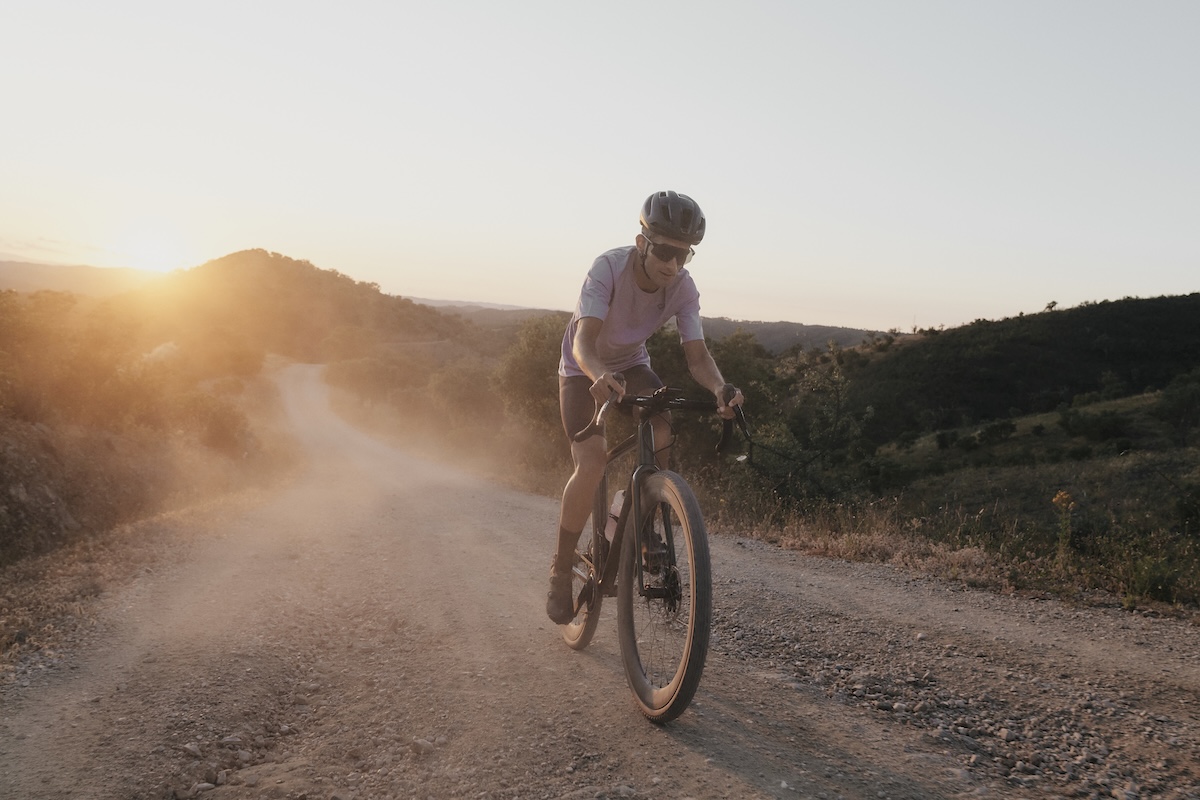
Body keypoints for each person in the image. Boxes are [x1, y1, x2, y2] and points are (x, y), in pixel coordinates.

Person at [547, 190, 745, 624]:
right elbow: (583, 342)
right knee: (593, 460)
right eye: (665, 250)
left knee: (661, 429)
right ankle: (561, 569)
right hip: (583, 368)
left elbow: (697, 358)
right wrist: (598, 374)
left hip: (633, 364)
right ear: (642, 242)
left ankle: (642, 519)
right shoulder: (608, 268)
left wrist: (719, 389)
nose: (672, 264)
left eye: (684, 254)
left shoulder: (683, 288)